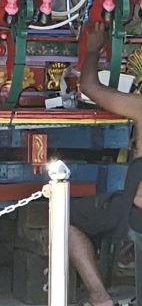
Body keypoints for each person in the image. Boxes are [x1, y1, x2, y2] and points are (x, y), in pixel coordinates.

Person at [70, 21, 142, 306]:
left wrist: (93, 49)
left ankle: (99, 297)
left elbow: (88, 86)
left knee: (64, 217)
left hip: (136, 212)